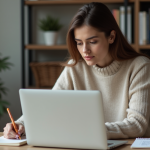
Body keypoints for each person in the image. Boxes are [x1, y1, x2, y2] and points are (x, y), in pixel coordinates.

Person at [3, 2, 150, 140]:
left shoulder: (140, 66)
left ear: (111, 37)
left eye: (92, 42)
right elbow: (49, 106)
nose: (85, 50)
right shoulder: (75, 67)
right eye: (79, 43)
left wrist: (90, 131)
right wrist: (20, 124)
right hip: (86, 143)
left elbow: (137, 125)